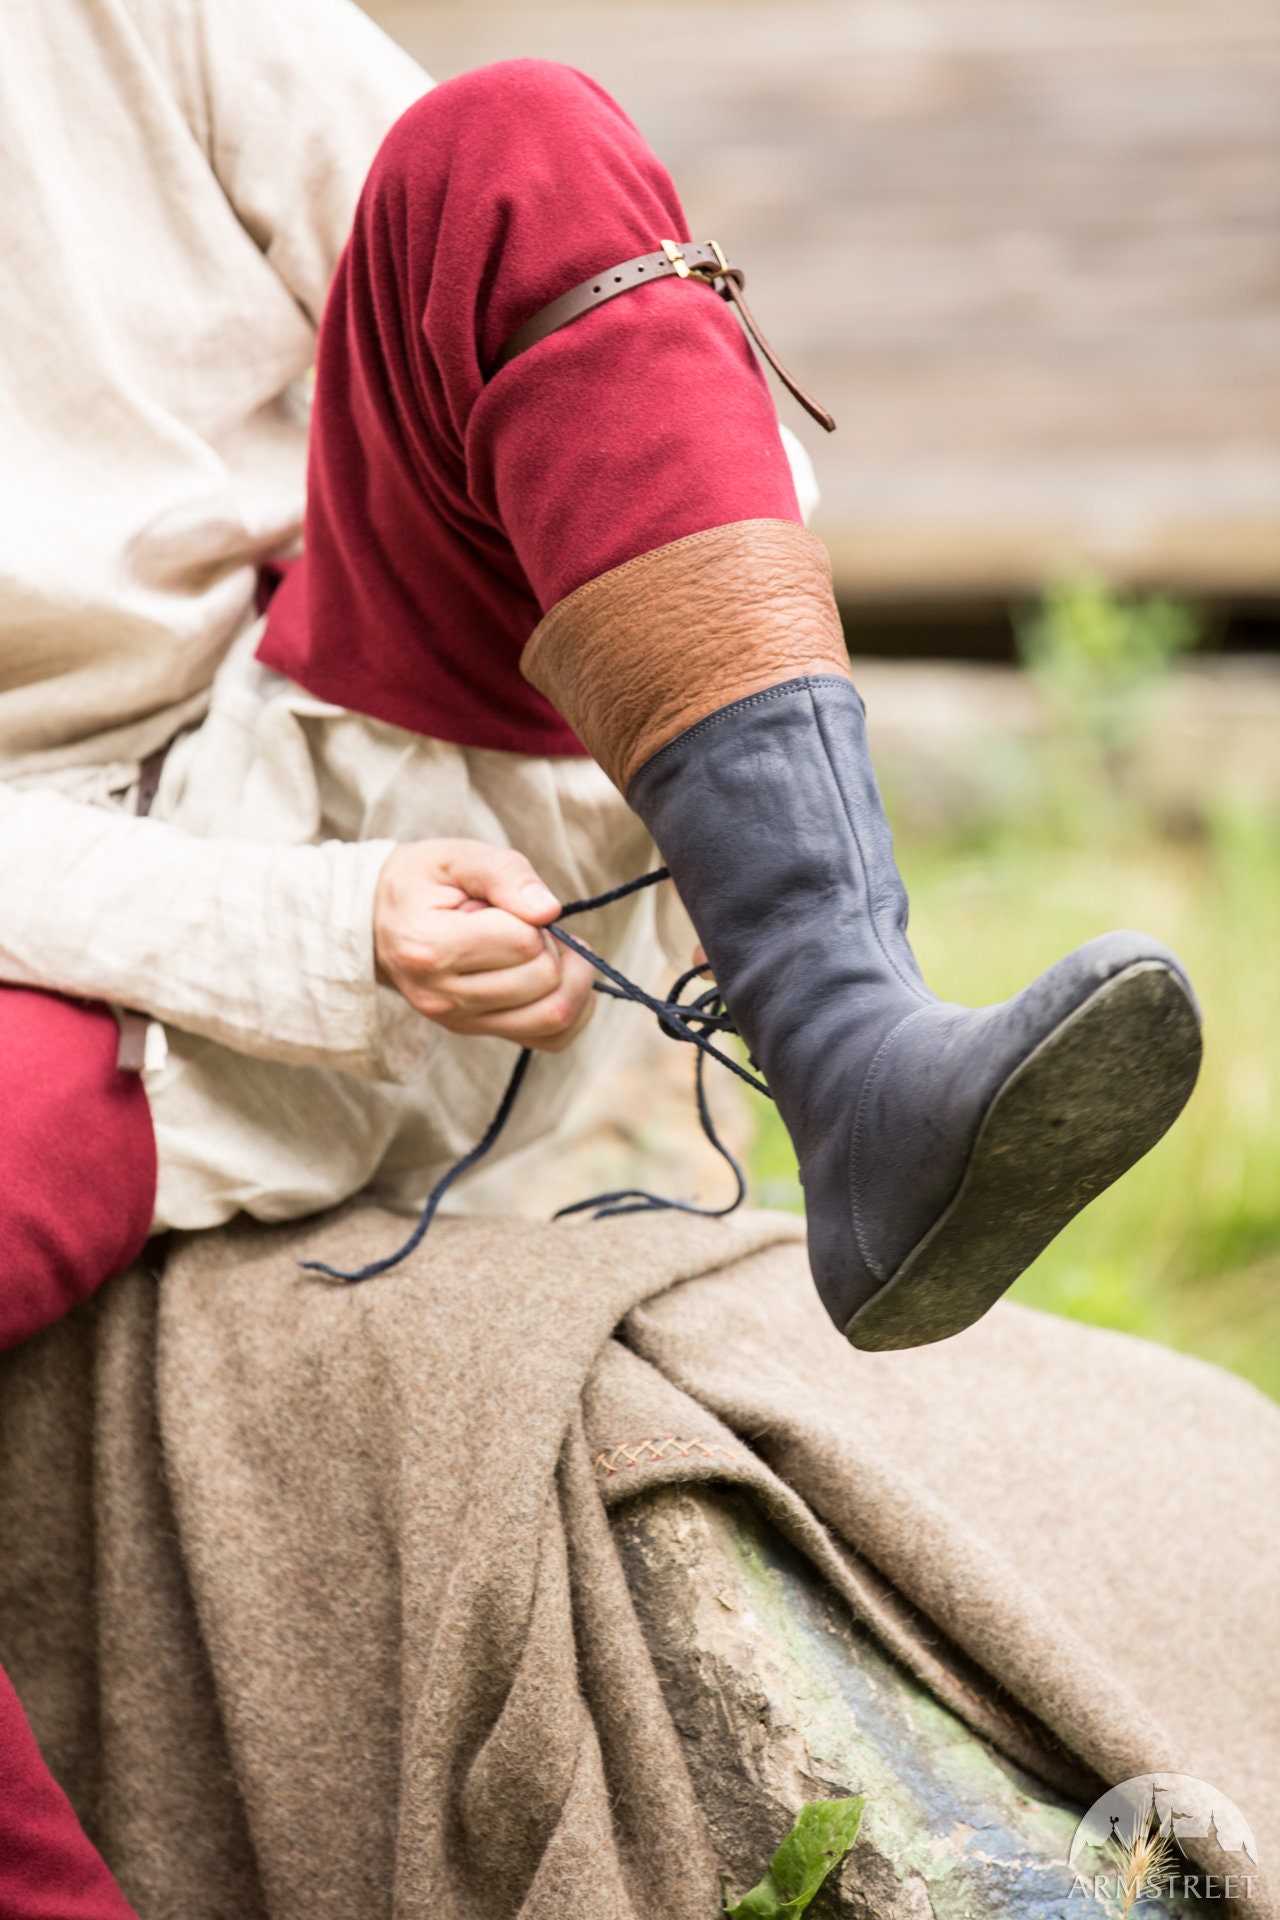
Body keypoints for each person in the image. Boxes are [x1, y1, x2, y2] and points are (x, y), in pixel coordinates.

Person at [0, 1, 1201, 1911]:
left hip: (375, 708)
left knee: (522, 147)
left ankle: (852, 1045)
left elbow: (601, 309)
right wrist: (314, 925)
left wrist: (657, 513)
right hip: (73, 954)